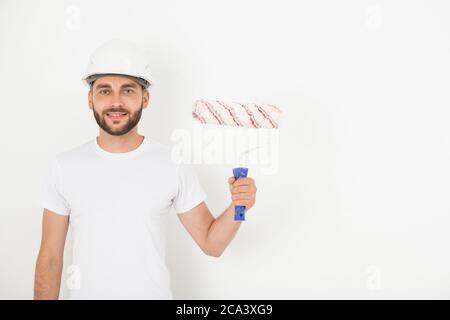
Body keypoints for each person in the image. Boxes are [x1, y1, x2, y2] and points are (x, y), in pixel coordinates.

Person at [34, 39, 257, 300]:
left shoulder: (173, 163)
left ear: (145, 98)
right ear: (90, 98)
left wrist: (238, 206)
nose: (116, 102)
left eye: (128, 90)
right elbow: (49, 259)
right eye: (105, 91)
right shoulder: (64, 167)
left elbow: (212, 244)